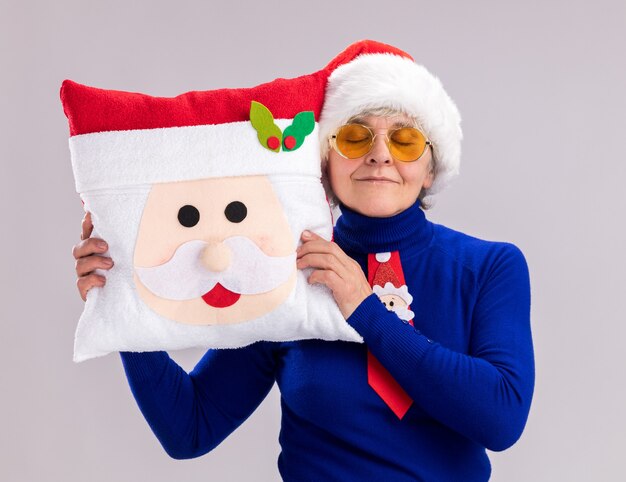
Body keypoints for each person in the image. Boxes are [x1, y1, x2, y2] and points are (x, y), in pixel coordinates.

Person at [71, 43, 534, 481]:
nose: (379, 153)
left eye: (405, 140)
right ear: (323, 161)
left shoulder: (489, 267)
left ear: (430, 167)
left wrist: (364, 310)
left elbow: (501, 418)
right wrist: (126, 299)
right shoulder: (286, 270)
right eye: (355, 136)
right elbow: (190, 428)